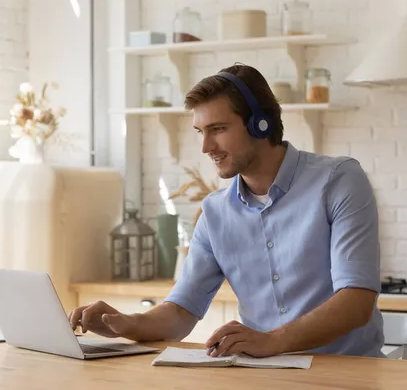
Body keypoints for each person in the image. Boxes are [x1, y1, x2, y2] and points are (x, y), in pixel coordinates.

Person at [68, 64, 385, 358]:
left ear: (260, 124)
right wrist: (125, 323)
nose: (206, 147)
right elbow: (181, 312)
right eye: (200, 132)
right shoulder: (215, 213)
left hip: (347, 374)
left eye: (218, 129)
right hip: (263, 376)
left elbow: (355, 302)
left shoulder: (339, 180)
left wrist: (273, 340)